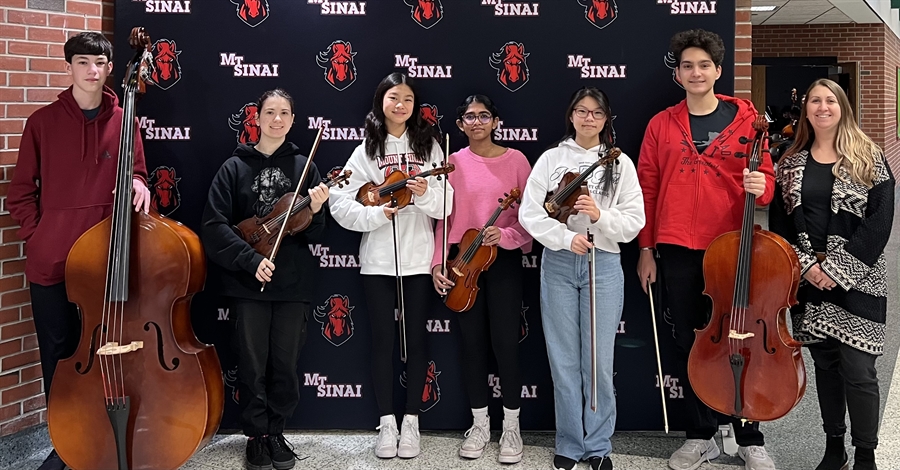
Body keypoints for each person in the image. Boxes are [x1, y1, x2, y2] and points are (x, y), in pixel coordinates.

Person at [7, 31, 150, 470]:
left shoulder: (126, 121)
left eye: (100, 63)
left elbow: (139, 175)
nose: (93, 70)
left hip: (107, 265)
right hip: (51, 263)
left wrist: (139, 183)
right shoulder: (42, 122)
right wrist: (39, 234)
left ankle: (106, 437)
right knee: (59, 357)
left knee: (106, 352)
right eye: (83, 62)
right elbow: (19, 193)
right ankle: (65, 442)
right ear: (68, 66)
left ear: (110, 68)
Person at [635, 29, 777, 470]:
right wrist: (646, 249)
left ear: (718, 71)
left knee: (744, 338)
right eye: (686, 66)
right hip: (677, 247)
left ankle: (749, 437)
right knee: (690, 342)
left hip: (732, 246)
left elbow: (768, 182)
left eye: (703, 65)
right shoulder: (661, 123)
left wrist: (763, 186)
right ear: (677, 74)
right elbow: (648, 188)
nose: (695, 73)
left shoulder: (747, 123)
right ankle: (701, 435)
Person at [769, 79, 895, 470]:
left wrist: (838, 271)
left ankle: (866, 455)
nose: (823, 107)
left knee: (859, 369)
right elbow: (780, 226)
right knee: (826, 365)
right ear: (806, 110)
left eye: (830, 101)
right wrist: (808, 267)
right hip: (809, 280)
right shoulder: (788, 162)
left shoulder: (869, 157)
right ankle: (834, 447)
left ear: (843, 107)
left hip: (860, 277)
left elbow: (880, 222)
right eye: (815, 101)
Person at [201, 88, 329, 470]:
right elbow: (213, 226)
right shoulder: (233, 168)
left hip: (292, 284)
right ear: (256, 118)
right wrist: (249, 259)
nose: (277, 119)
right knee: (252, 365)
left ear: (293, 120)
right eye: (270, 112)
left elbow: (312, 232)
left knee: (286, 365)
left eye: (284, 113)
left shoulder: (305, 166)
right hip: (248, 285)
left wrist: (318, 208)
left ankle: (276, 431)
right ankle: (255, 436)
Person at [329, 72, 453, 460]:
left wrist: (425, 194)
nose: (400, 106)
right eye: (393, 98)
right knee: (383, 342)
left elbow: (447, 204)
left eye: (408, 100)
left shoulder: (429, 145)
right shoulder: (366, 148)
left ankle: (412, 422)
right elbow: (341, 202)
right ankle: (386, 424)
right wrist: (379, 216)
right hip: (378, 261)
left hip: (418, 260)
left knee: (415, 341)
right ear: (381, 101)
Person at [519, 87, 645, 470]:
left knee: (598, 361)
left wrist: (600, 217)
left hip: (603, 264)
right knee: (563, 358)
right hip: (559, 262)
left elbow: (634, 221)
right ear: (571, 115)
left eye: (596, 112)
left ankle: (599, 445)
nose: (588, 118)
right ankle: (570, 443)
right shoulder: (551, 159)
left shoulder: (619, 164)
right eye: (581, 111)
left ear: (607, 119)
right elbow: (530, 213)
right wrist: (564, 236)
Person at [430, 94, 532, 464]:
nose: (476, 122)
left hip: (501, 260)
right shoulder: (452, 162)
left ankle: (511, 426)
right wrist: (438, 263)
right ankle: (479, 424)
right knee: (471, 345)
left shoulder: (517, 160)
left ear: (495, 121)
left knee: (506, 344)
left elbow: (530, 216)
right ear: (459, 125)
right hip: (463, 261)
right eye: (468, 117)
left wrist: (504, 237)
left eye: (483, 116)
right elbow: (443, 218)